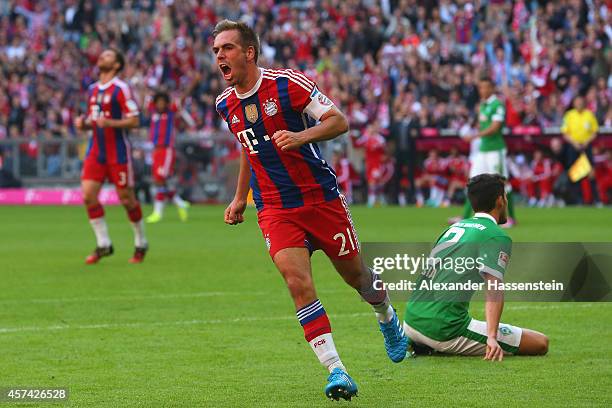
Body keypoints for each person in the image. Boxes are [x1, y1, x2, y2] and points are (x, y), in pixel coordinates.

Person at [213, 20, 409, 401]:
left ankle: (386, 316)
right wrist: (240, 198)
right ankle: (336, 370)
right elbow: (246, 147)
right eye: (217, 50)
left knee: (358, 278)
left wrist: (301, 136)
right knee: (297, 283)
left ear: (249, 52)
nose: (220, 55)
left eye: (227, 48)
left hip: (321, 200)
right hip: (274, 208)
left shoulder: (288, 84)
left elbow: (339, 121)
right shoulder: (226, 103)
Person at [404, 173, 549, 359]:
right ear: (499, 200)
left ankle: (420, 343)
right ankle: (433, 343)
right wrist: (491, 337)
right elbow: (494, 288)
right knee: (540, 342)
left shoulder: (454, 228)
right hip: (443, 328)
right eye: (505, 196)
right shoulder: (496, 235)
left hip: (411, 319)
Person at [75, 48, 148, 264]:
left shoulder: (121, 89)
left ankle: (141, 242)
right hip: (96, 151)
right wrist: (84, 124)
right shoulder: (92, 90)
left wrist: (112, 123)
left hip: (117, 152)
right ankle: (104, 244)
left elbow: (134, 120)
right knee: (88, 195)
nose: (102, 57)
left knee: (127, 199)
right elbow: (94, 120)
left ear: (116, 65)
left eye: (107, 56)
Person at [452, 77, 516, 226]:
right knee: (473, 182)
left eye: (486, 87)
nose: (483, 90)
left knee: (502, 183)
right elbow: (483, 126)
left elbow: (495, 127)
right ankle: (465, 216)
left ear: (492, 88)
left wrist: (475, 136)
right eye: (480, 87)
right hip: (483, 150)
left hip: (496, 150)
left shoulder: (497, 105)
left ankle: (510, 218)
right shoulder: (482, 105)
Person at [144, 88, 194, 223]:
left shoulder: (171, 113)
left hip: (166, 150)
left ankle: (158, 212)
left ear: (166, 103)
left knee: (159, 179)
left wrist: (194, 82)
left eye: (163, 102)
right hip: (156, 150)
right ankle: (179, 203)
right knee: (161, 181)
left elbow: (182, 98)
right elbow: (145, 99)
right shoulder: (153, 113)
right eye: (158, 102)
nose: (160, 105)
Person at [560, 95, 601, 205]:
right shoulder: (569, 115)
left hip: (586, 147)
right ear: (574, 103)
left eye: (581, 102)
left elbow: (595, 131)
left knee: (591, 173)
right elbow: (564, 132)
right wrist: (574, 143)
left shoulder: (589, 114)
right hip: (573, 147)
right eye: (577, 102)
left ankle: (596, 200)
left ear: (584, 103)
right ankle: (576, 200)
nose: (579, 104)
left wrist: (587, 142)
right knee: (574, 174)